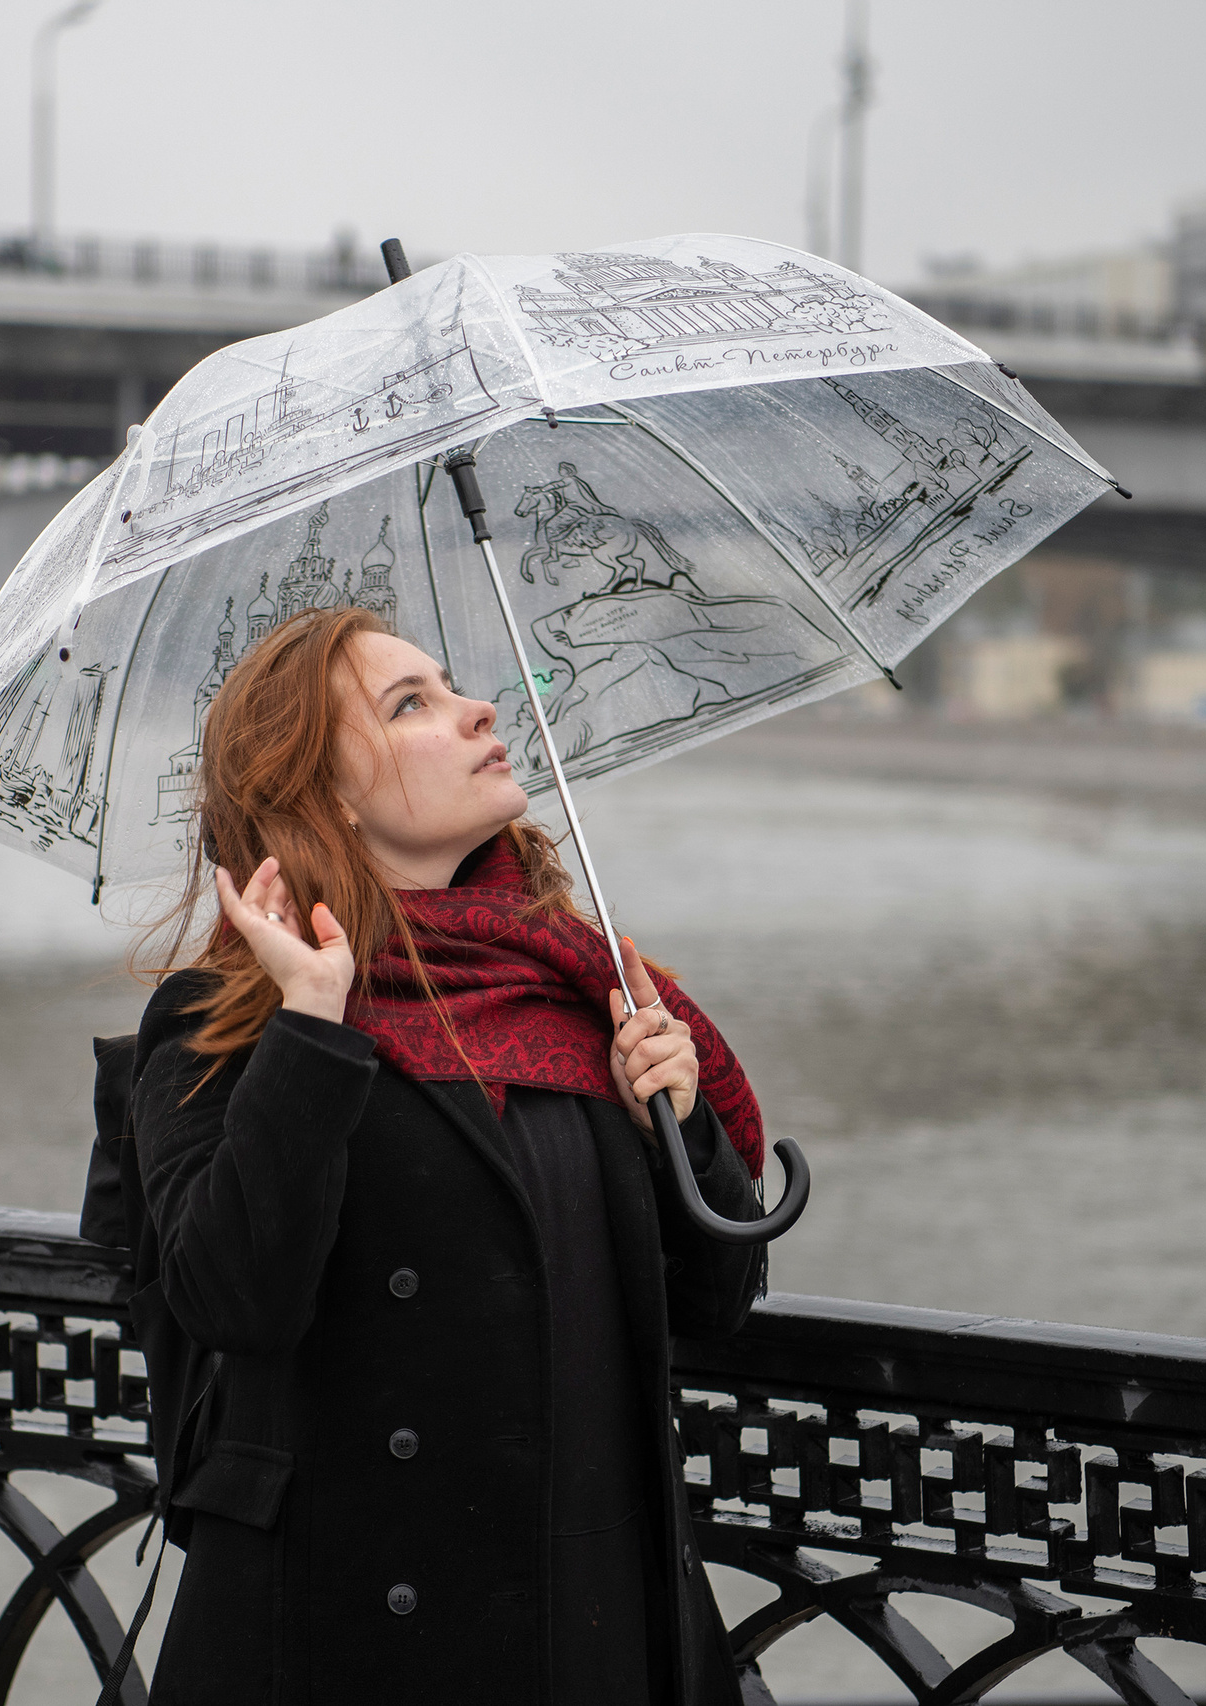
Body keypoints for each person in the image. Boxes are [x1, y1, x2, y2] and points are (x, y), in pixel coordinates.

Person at [123, 603, 769, 1704]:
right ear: (322, 791)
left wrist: (677, 1113)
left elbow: (716, 1296)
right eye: (410, 703)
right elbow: (231, 1297)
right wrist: (313, 1029)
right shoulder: (224, 1019)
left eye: (451, 682)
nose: (477, 709)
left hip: (594, 1614)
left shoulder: (579, 990)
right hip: (346, 1633)